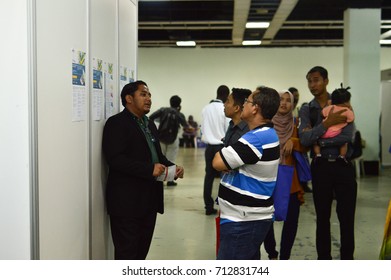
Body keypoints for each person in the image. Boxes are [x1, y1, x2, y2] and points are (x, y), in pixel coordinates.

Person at [102, 81, 184, 259]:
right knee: (127, 254)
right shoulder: (116, 124)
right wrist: (149, 169)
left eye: (149, 95)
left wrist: (172, 167)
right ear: (129, 98)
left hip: (148, 201)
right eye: (143, 94)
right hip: (126, 203)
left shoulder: (148, 124)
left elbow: (157, 157)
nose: (148, 99)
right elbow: (115, 160)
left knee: (141, 253)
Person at [212, 86, 281, 260]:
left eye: (248, 101)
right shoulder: (264, 134)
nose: (244, 105)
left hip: (243, 221)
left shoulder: (255, 139)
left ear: (255, 108)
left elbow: (217, 162)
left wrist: (222, 155)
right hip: (246, 218)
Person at [298, 66, 357, 260]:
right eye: (309, 81)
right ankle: (324, 260)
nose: (312, 85)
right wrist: (327, 123)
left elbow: (349, 135)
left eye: (316, 80)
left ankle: (347, 260)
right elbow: (305, 140)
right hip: (321, 167)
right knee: (322, 217)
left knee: (347, 217)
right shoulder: (308, 108)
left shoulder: (342, 102)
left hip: (344, 166)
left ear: (326, 81)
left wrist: (321, 141)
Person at [263, 90, 307, 260]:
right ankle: (272, 253)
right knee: (266, 220)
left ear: (293, 104)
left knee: (291, 221)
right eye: (281, 99)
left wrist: (293, 141)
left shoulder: (296, 124)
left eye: (288, 100)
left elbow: (306, 144)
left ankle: (285, 258)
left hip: (291, 179)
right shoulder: (267, 124)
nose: (284, 103)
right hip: (268, 177)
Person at [201, 85, 230, 215]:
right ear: (225, 95)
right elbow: (227, 129)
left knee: (209, 177)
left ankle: (208, 206)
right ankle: (224, 205)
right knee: (225, 176)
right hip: (221, 147)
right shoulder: (224, 109)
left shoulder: (205, 109)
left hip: (209, 148)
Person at [149, 95, 188, 186]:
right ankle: (170, 180)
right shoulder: (179, 114)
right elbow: (185, 126)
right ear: (179, 104)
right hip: (173, 140)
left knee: (160, 157)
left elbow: (151, 117)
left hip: (161, 138)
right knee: (171, 158)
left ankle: (159, 177)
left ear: (170, 102)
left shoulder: (163, 110)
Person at [313, 86, 355, 161]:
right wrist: (350, 110)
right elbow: (351, 120)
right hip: (336, 132)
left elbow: (322, 113)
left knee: (315, 143)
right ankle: (342, 156)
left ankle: (318, 154)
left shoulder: (330, 108)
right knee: (344, 143)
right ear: (346, 102)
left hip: (325, 132)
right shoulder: (347, 111)